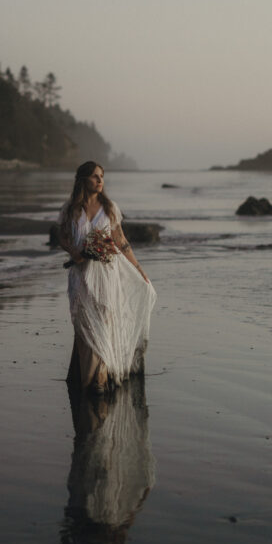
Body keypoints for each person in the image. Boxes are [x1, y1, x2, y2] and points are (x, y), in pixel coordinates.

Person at [58, 161, 157, 394]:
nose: (100, 180)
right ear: (83, 180)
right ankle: (82, 377)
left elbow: (121, 242)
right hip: (80, 275)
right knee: (84, 324)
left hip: (106, 274)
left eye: (101, 176)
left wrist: (139, 269)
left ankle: (99, 380)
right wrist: (74, 251)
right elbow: (61, 236)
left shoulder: (110, 208)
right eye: (94, 176)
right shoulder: (72, 209)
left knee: (102, 322)